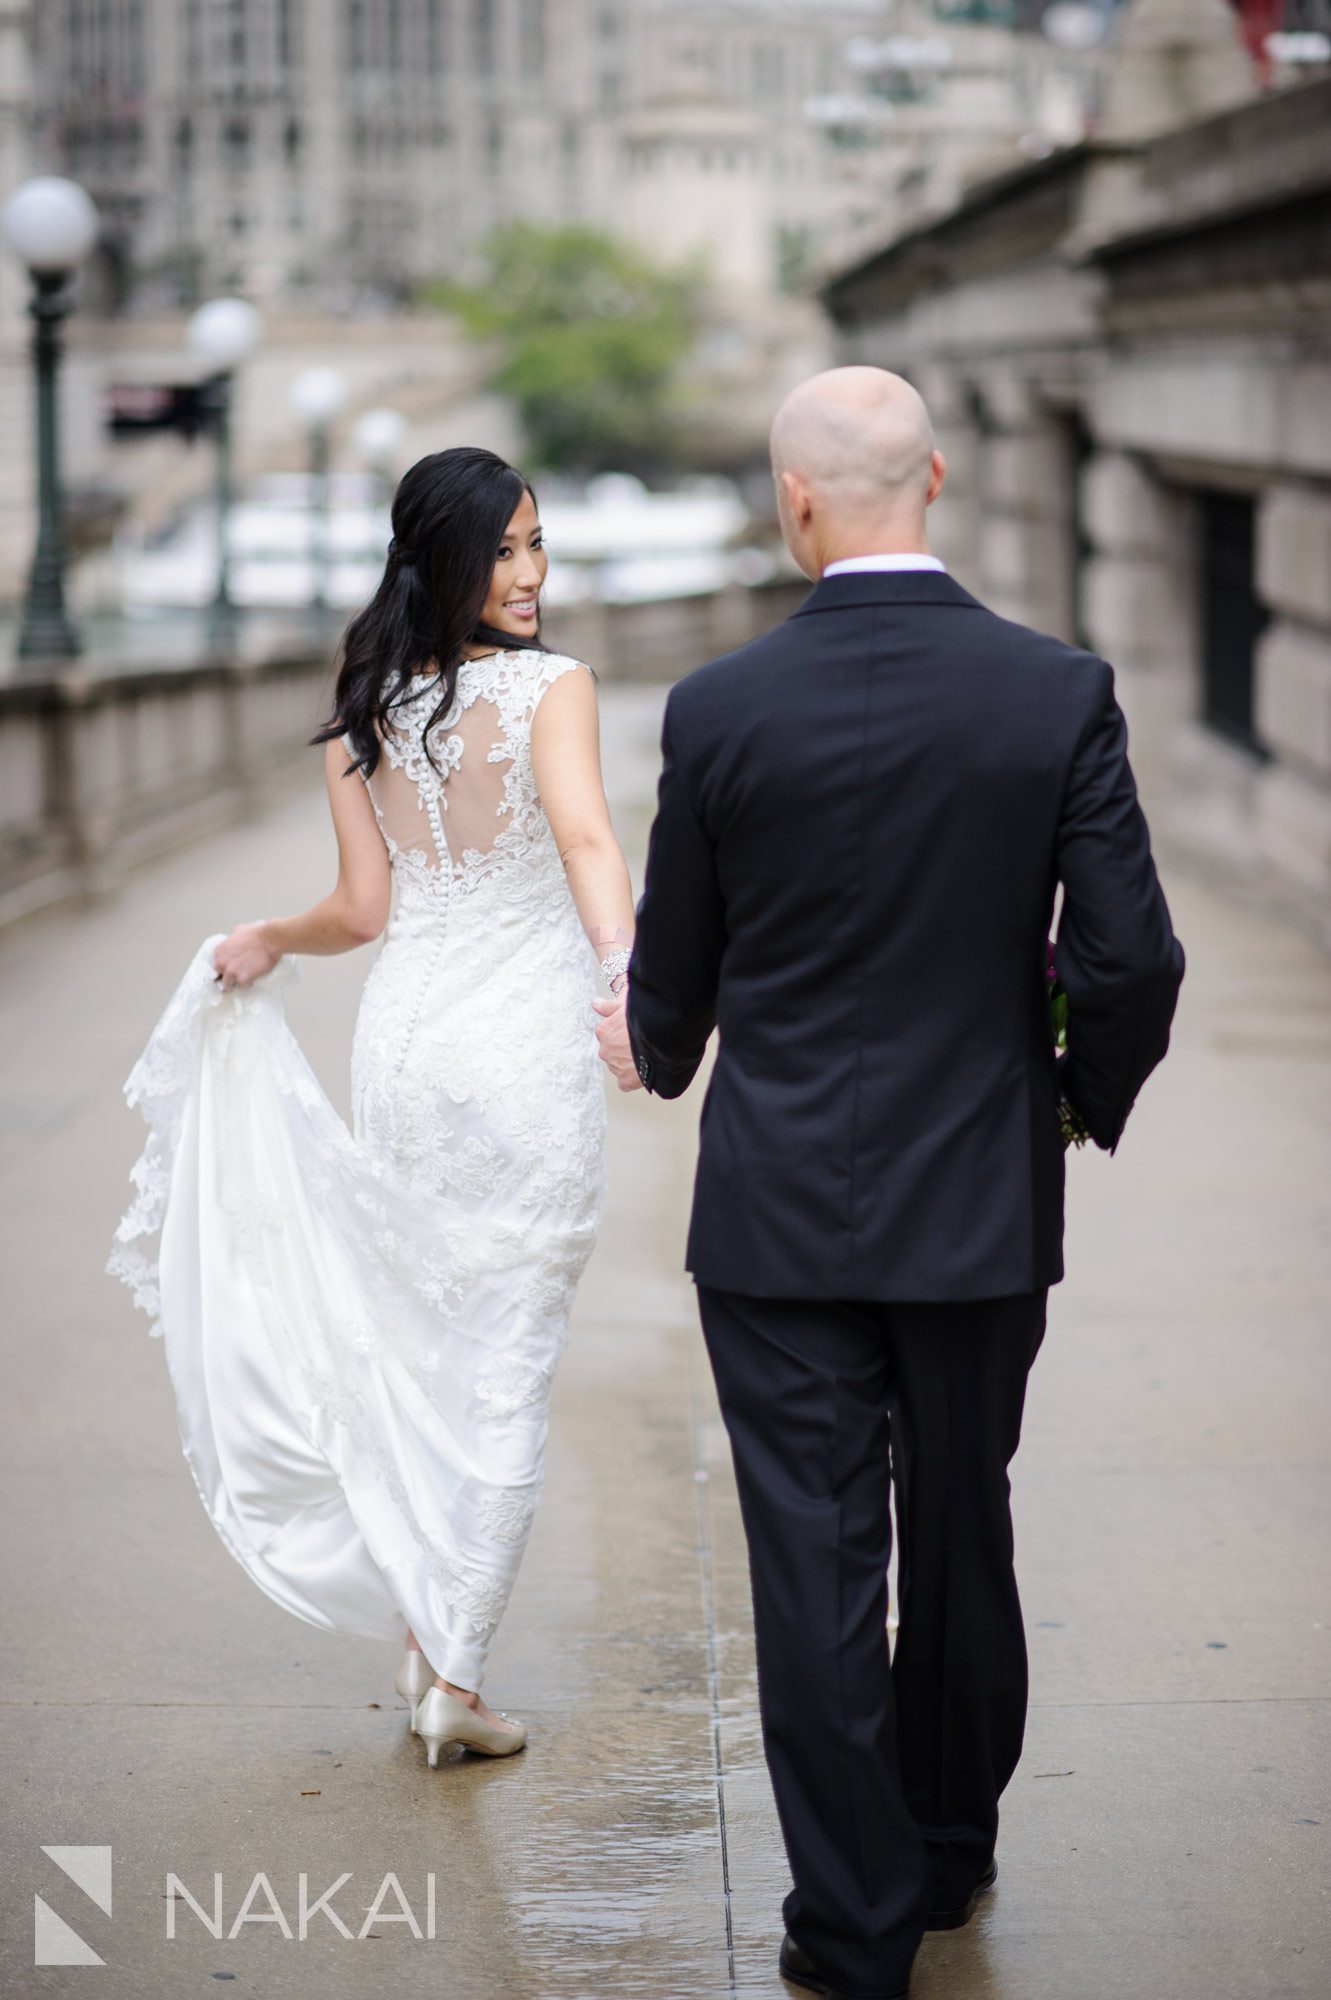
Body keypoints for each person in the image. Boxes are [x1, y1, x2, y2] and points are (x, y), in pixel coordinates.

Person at [595, 368, 1184, 1999]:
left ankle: (848, 1932)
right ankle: (948, 1851)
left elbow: (676, 984)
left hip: (778, 1215)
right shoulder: (1055, 690)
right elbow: (1134, 958)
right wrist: (1070, 1100)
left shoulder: (715, 711)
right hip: (981, 1201)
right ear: (933, 478)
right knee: (964, 1526)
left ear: (794, 502)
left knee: (815, 1566)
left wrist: (646, 1040)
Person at [110, 447, 634, 1766]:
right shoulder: (554, 690)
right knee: (507, 1348)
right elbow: (583, 841)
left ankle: (425, 1634)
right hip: (519, 1049)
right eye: (505, 550)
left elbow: (362, 912)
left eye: (536, 544)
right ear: (444, 559)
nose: (530, 574)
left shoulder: (370, 705)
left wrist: (269, 937)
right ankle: (455, 1673)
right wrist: (627, 976)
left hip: (407, 1042)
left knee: (424, 1346)